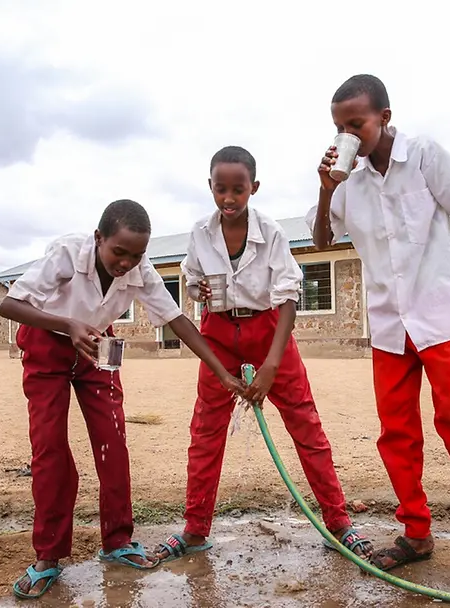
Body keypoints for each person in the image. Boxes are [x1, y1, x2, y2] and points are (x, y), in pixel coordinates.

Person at [306, 74, 450, 595]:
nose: (347, 133)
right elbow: (322, 241)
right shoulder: (346, 181)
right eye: (338, 126)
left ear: (384, 118)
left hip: (439, 317)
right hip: (389, 326)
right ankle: (416, 534)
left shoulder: (423, 156)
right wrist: (327, 188)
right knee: (396, 433)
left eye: (356, 123)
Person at [0, 199, 246, 599]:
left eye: (136, 255)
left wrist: (221, 370)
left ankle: (118, 541)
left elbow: (176, 320)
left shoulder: (140, 271)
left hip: (97, 344)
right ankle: (48, 556)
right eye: (119, 252)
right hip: (48, 342)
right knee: (51, 450)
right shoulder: (65, 255)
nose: (126, 263)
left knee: (112, 442)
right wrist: (67, 324)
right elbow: (9, 305)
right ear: (99, 239)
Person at [151, 146, 374, 564]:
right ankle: (195, 529)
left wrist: (272, 363)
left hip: (269, 331)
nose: (229, 198)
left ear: (253, 188)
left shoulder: (270, 232)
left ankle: (338, 523)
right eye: (221, 189)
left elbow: (288, 296)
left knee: (306, 427)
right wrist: (199, 287)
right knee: (205, 434)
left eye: (238, 189)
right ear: (210, 187)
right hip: (218, 333)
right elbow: (190, 272)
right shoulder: (200, 231)